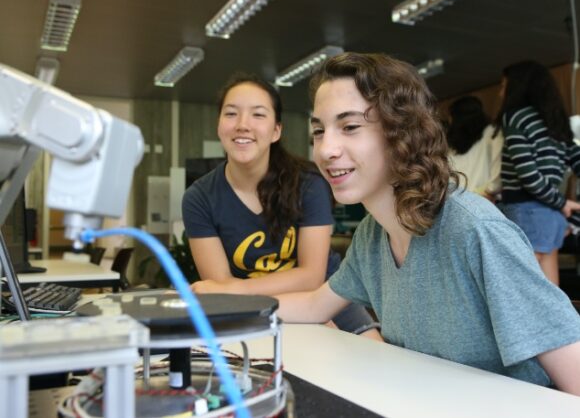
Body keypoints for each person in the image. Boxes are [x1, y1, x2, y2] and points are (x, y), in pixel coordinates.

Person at [275, 52, 580, 395]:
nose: (326, 149)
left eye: (350, 127)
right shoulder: (372, 235)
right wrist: (214, 308)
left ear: (402, 132)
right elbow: (316, 305)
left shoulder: (475, 231)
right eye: (318, 130)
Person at [182, 72, 381, 339]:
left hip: (326, 295)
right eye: (231, 114)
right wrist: (235, 292)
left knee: (374, 355)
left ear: (276, 131)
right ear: (219, 126)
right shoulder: (199, 197)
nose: (242, 124)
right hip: (252, 309)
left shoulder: (309, 184)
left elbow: (311, 277)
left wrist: (238, 290)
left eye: (258, 114)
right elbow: (221, 291)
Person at [498, 60, 580, 285]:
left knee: (524, 289)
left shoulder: (515, 117)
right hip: (549, 215)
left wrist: (563, 203)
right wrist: (560, 203)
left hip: (528, 211)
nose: (500, 93)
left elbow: (529, 177)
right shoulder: (556, 121)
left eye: (504, 86)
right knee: (551, 292)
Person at [446, 95, 503, 200]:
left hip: (460, 204)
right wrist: (489, 191)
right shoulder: (492, 133)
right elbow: (498, 174)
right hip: (486, 200)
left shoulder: (450, 146)